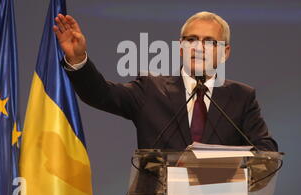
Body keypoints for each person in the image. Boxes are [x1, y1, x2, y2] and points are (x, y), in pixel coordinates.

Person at [53, 11, 278, 151]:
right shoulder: (151, 89)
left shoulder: (241, 97)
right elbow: (100, 94)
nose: (198, 48)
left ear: (225, 52)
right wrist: (78, 58)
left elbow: (265, 151)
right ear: (180, 47)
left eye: (209, 42)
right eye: (191, 39)